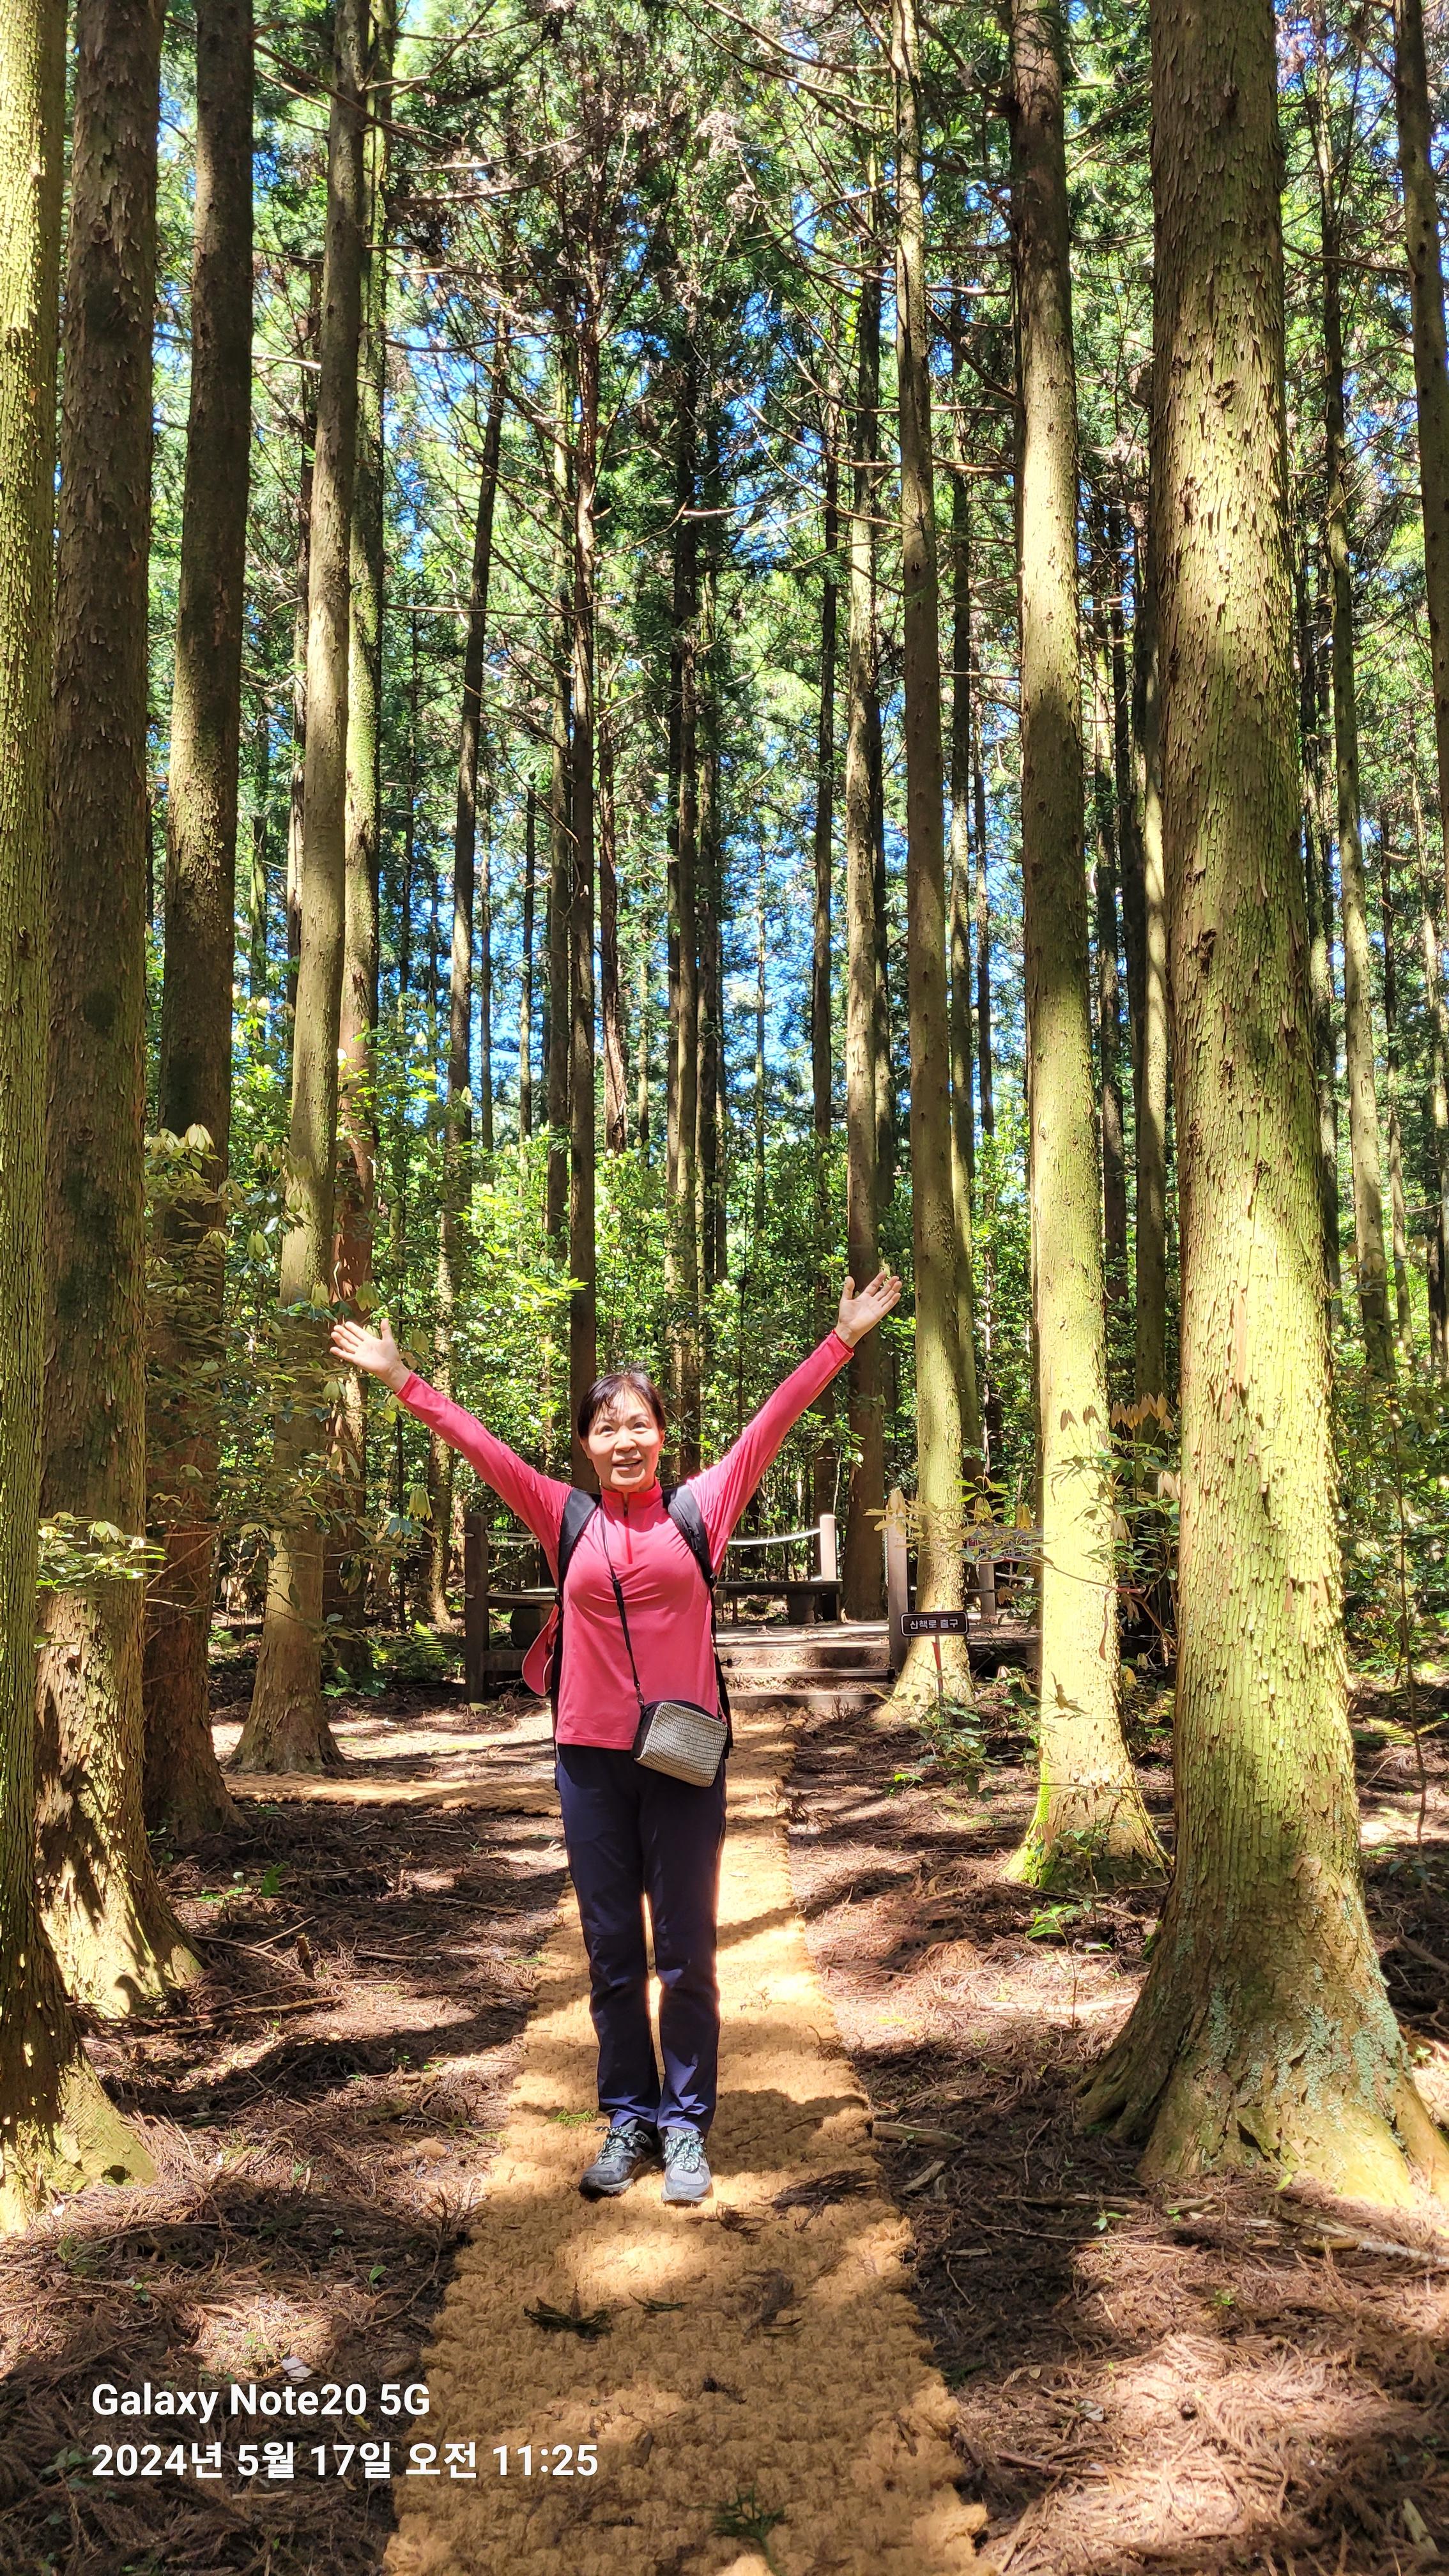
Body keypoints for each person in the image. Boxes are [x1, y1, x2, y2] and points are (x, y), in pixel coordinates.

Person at [329, 1269, 900, 2206]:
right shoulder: (565, 1515)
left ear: (661, 1436)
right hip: (589, 1762)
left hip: (684, 1758)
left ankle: (686, 2124)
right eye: (607, 1428)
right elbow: (477, 1444)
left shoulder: (701, 1508)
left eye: (639, 1424)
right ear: (588, 1445)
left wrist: (840, 1340)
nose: (625, 1440)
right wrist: (400, 1377)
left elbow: (772, 1423)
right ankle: (628, 2113)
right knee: (609, 1950)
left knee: (686, 1951)